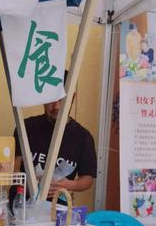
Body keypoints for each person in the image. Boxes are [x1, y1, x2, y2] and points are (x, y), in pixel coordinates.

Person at [12, 73, 97, 202]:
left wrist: (70, 185)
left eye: (62, 99)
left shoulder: (83, 137)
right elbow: (14, 166)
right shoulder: (25, 128)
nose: (56, 106)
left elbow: (88, 178)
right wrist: (23, 184)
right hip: (22, 207)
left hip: (59, 212)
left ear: (72, 98)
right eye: (51, 99)